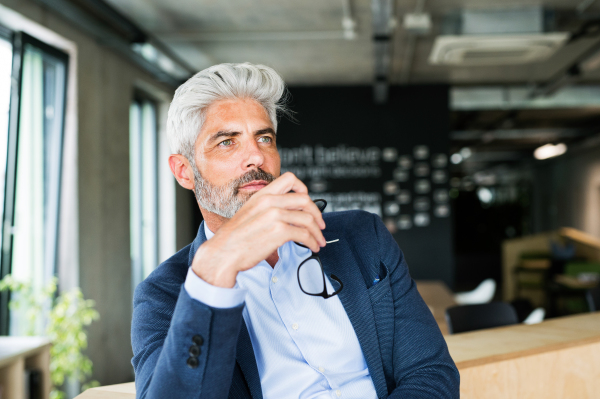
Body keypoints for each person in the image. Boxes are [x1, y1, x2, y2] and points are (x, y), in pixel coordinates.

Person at [131, 63, 459, 399]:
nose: (256, 156)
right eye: (227, 142)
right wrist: (214, 270)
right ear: (185, 171)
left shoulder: (362, 237)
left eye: (264, 138)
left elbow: (431, 373)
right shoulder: (163, 295)